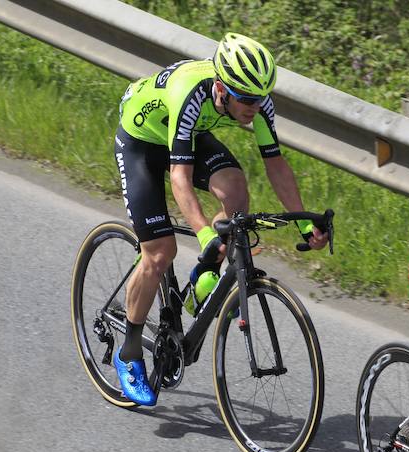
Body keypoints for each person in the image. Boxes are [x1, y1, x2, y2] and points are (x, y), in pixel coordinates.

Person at [112, 32, 328, 406]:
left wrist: (305, 222)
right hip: (141, 141)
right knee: (160, 254)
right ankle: (128, 354)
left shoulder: (258, 104)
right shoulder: (191, 92)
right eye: (244, 98)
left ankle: (204, 273)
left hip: (187, 136)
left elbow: (275, 164)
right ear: (220, 89)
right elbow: (179, 177)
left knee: (236, 193)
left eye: (260, 97)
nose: (253, 107)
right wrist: (203, 233)